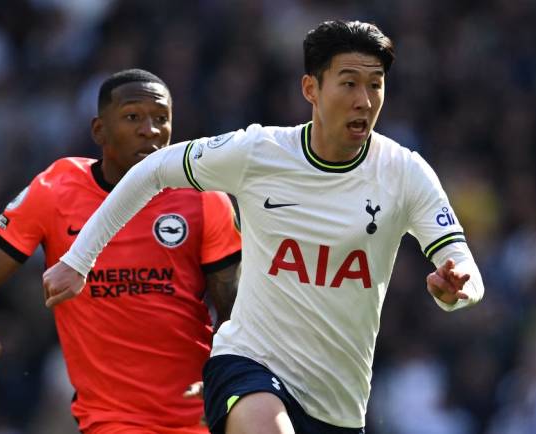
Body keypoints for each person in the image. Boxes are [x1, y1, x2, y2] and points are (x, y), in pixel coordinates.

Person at [43, 21, 484, 434]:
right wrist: (79, 258)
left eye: (375, 85)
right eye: (349, 83)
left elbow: (460, 262)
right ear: (311, 88)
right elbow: (152, 170)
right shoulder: (259, 153)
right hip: (249, 363)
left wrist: (457, 290)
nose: (364, 100)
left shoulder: (404, 173)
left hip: (338, 402)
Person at [0, 69, 242, 434]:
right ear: (99, 130)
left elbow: (234, 312)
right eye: (133, 116)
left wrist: (228, 380)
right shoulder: (55, 189)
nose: (150, 129)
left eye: (161, 118)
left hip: (200, 413)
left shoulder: (203, 198)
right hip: (111, 419)